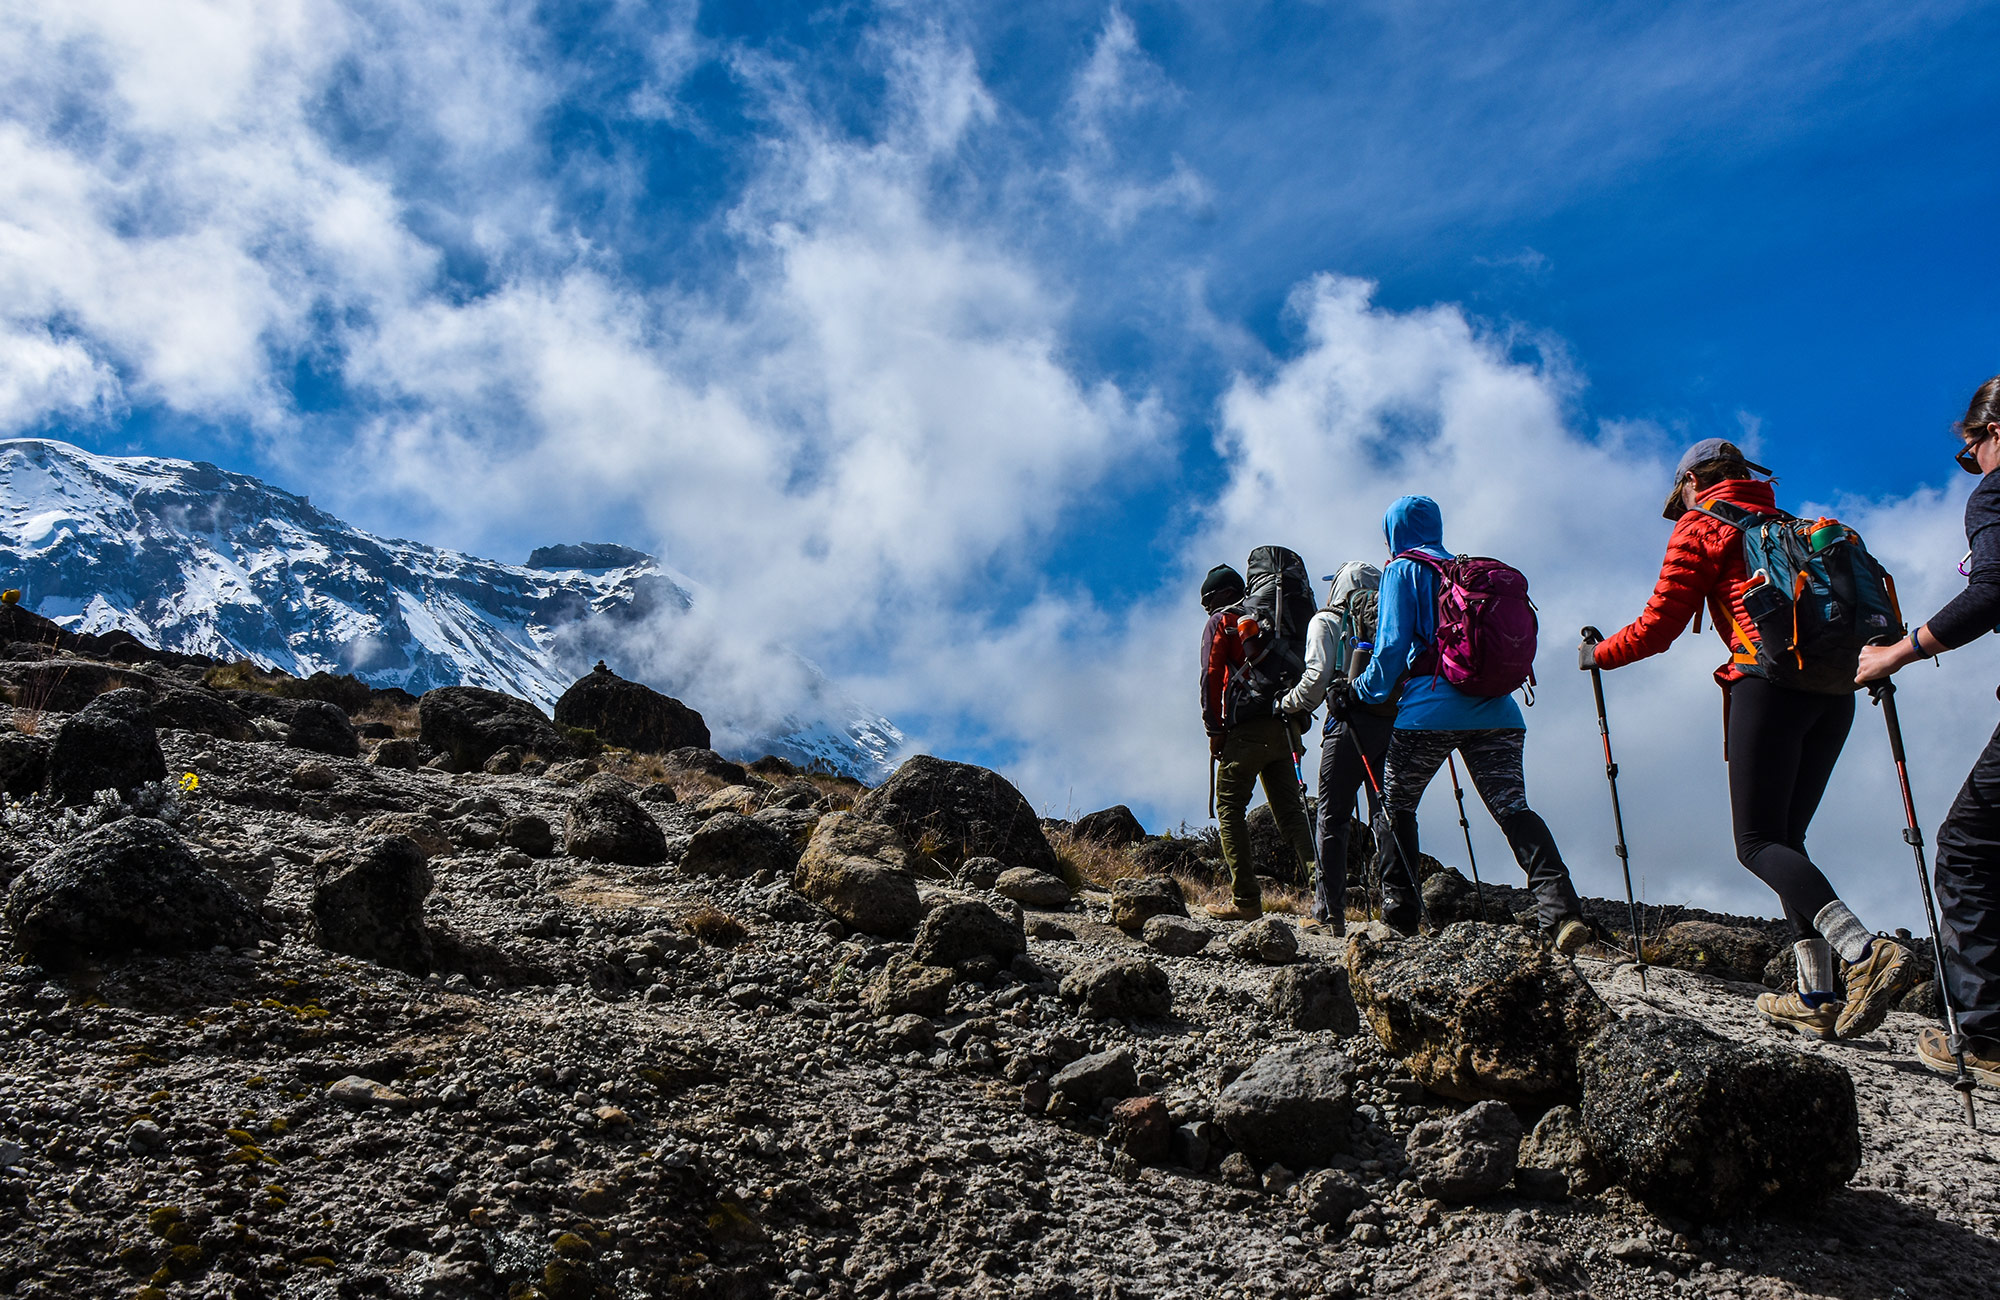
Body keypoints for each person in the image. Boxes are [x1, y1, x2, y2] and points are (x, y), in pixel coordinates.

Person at [1586, 438, 1915, 1041]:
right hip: (1833, 692)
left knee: (1757, 843)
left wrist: (1598, 654)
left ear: (1690, 482)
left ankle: (1865, 954)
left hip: (1765, 684)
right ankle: (1815, 993)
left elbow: (1659, 624)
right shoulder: (1792, 525)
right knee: (1788, 838)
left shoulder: (1702, 525)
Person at [1348, 496, 1591, 947]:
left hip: (1429, 712)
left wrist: (1356, 692)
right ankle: (1560, 911)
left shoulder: (1402, 570)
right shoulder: (1465, 572)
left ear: (1393, 530)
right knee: (1512, 808)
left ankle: (1400, 914)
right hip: (1499, 710)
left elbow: (1390, 654)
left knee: (1395, 804)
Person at [1857, 377, 2000, 1086]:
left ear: (1992, 432)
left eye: (1969, 450)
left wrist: (1897, 649)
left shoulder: (1996, 494)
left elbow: (1993, 589)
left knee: (1969, 852)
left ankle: (1986, 1041)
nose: (1970, 465)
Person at [1280, 561, 1393, 934]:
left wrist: (1286, 703)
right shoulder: (1389, 618)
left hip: (1346, 724)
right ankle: (1398, 909)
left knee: (1332, 816)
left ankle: (1328, 912)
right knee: (1389, 814)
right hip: (1391, 721)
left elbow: (1316, 681)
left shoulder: (1326, 621)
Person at [1200, 563, 1315, 920]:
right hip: (1285, 726)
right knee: (1292, 814)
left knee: (1230, 808)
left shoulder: (1222, 621)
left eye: (1207, 600)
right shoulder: (1270, 621)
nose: (1205, 608)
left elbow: (1210, 675)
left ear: (1220, 595)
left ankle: (1246, 900)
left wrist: (1214, 729)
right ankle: (1326, 897)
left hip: (1247, 730)